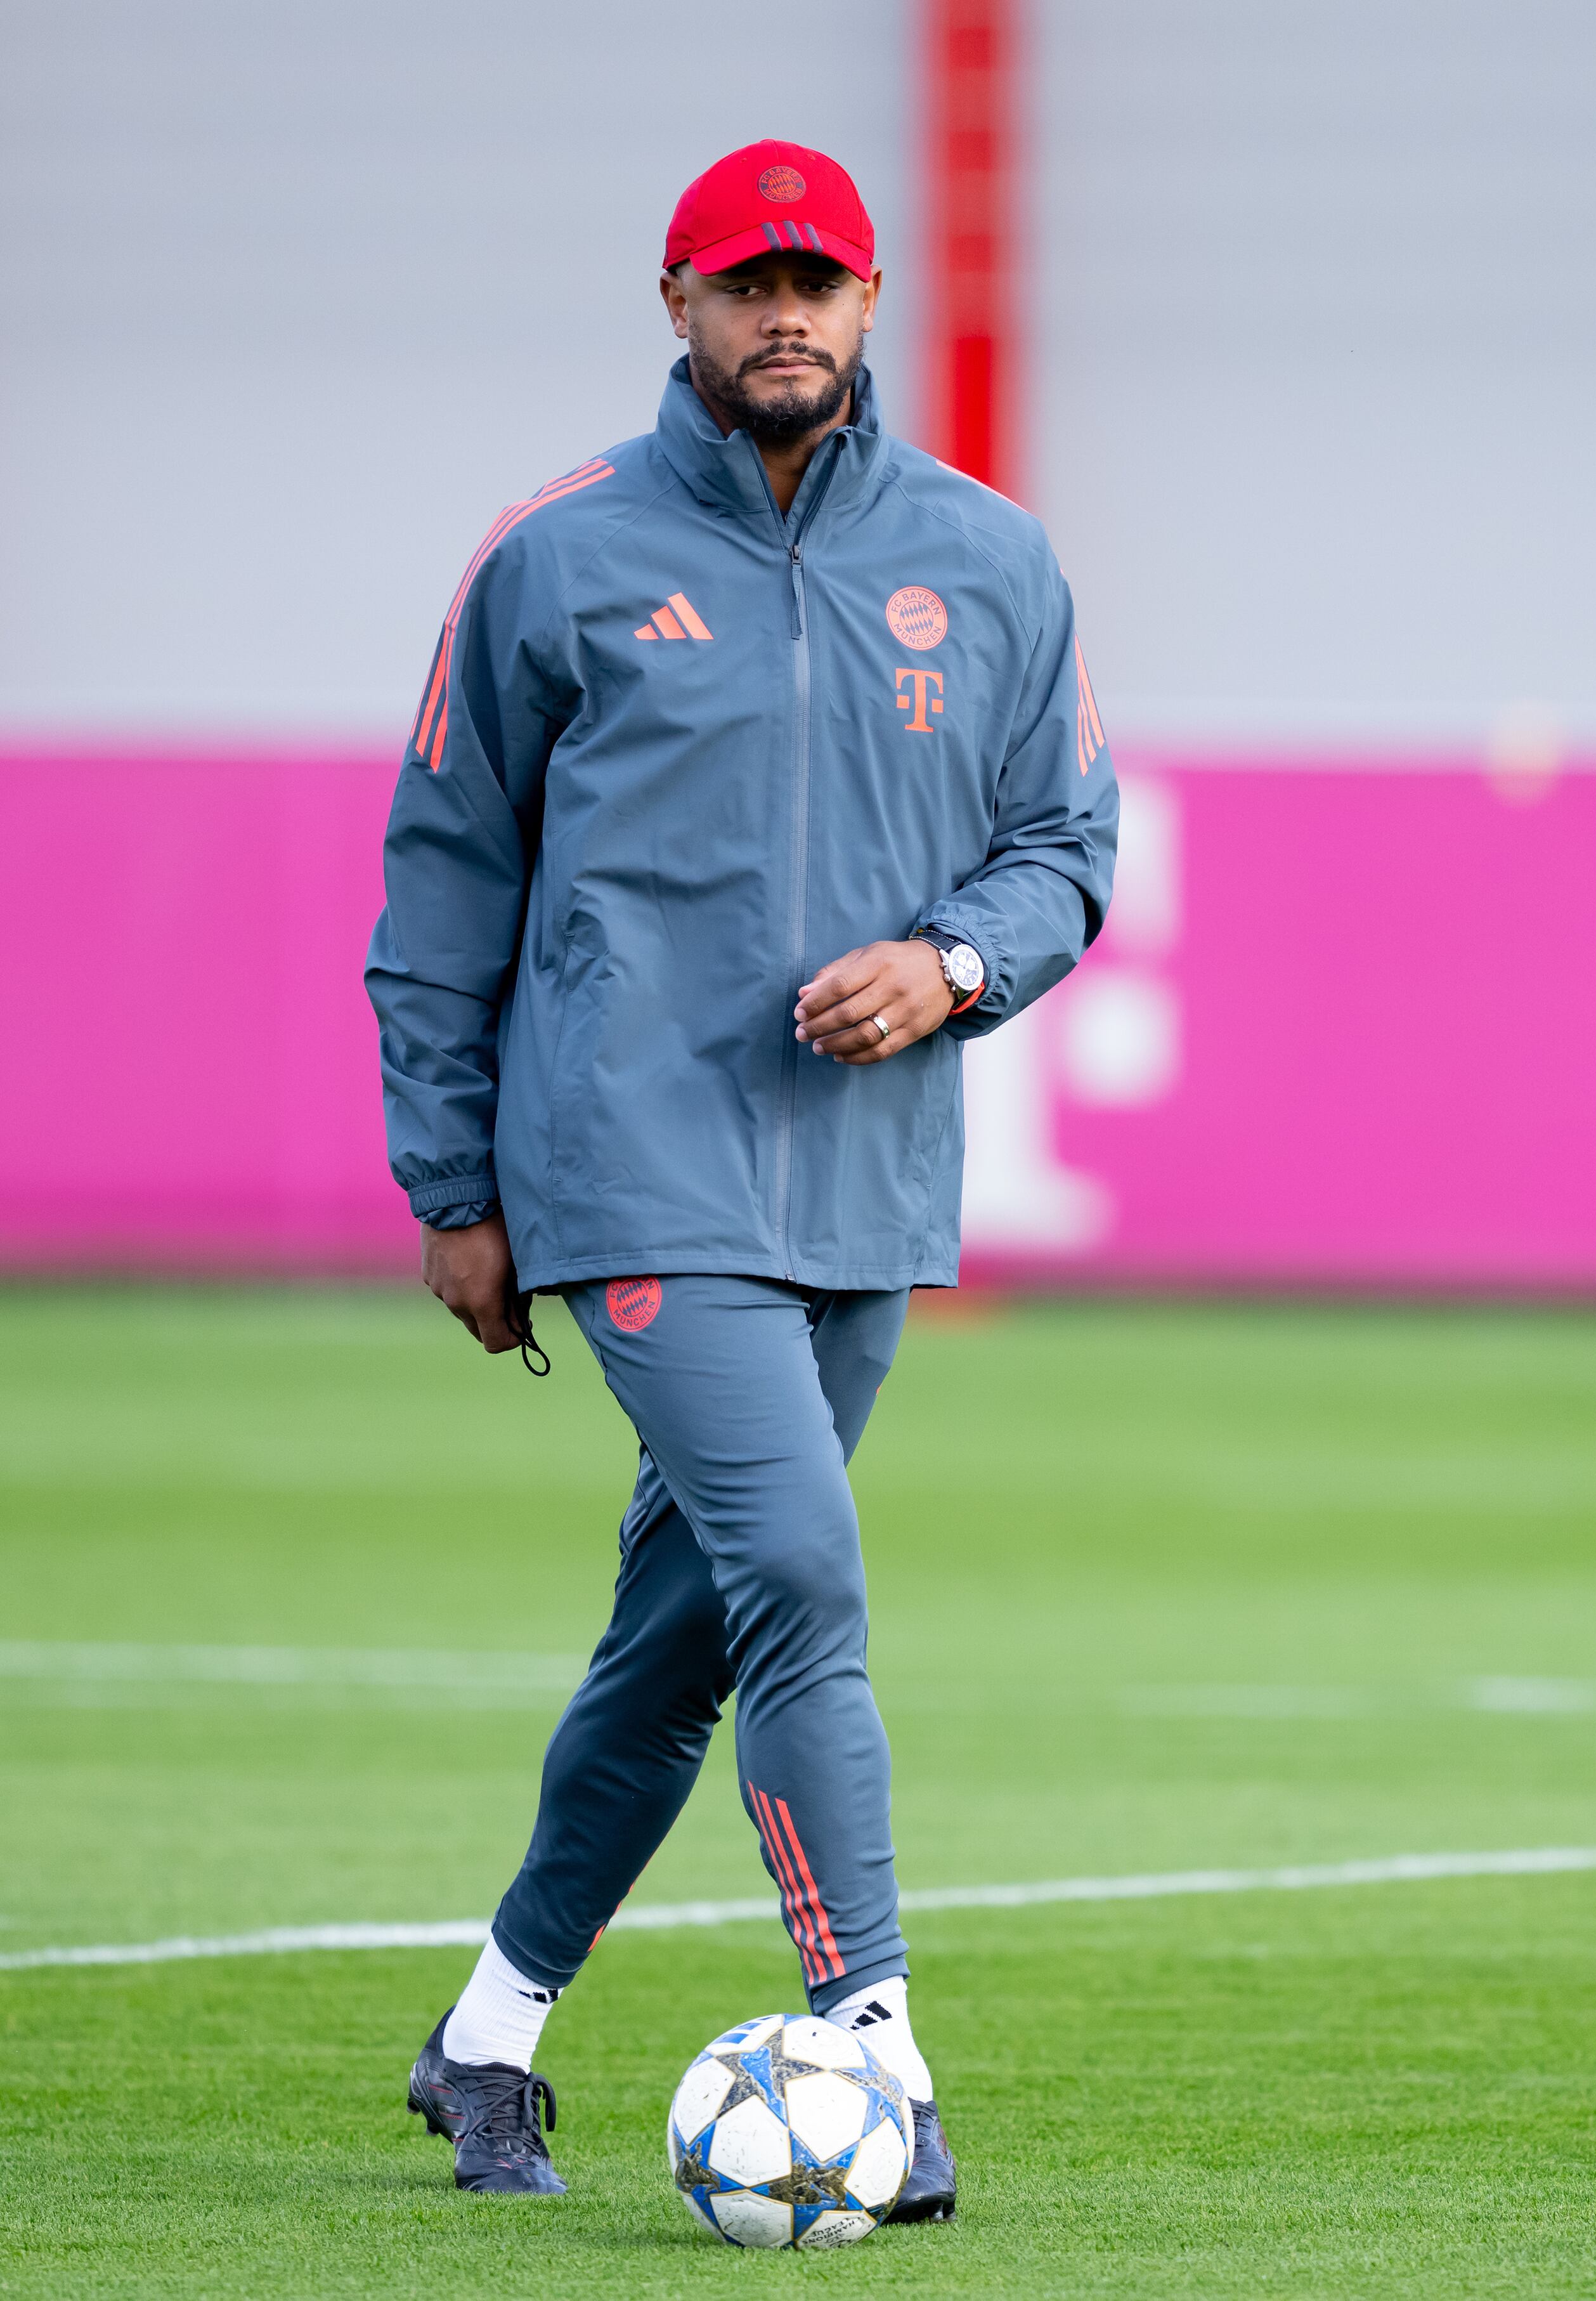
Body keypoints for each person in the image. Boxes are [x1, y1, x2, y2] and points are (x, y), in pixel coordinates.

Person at [366, 139, 1117, 2210]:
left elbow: (1067, 852)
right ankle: (873, 2031)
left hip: (863, 1189)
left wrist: (950, 966)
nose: (784, 315)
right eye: (742, 285)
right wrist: (455, 1178)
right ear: (678, 308)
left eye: (820, 283)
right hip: (626, 1164)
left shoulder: (990, 562)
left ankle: (489, 2041)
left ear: (873, 304)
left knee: (684, 1635)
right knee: (799, 1571)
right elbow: (444, 877)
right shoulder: (560, 556)